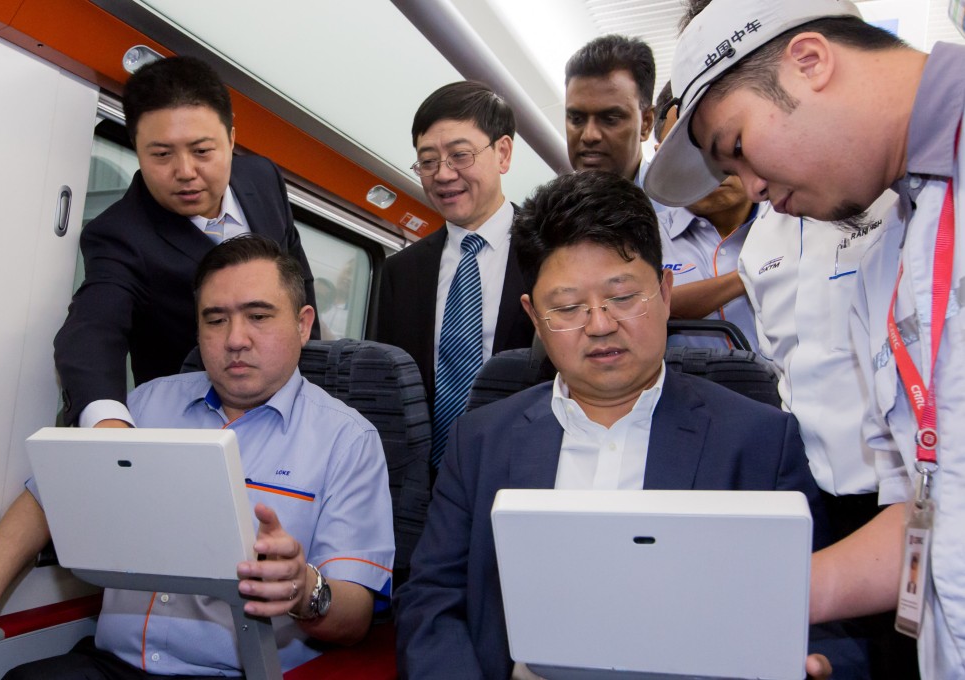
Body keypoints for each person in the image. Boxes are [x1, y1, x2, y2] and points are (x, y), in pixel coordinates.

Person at [395, 171, 840, 679]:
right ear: (534, 317)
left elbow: (823, 622)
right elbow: (431, 599)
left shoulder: (759, 440)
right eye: (566, 307)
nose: (600, 324)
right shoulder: (479, 441)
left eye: (623, 297)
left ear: (666, 293)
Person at [644, 1, 964, 676]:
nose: (754, 188)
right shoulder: (889, 254)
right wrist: (744, 600)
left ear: (810, 61)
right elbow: (931, 503)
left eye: (736, 147)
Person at [0, 235, 394, 677]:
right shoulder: (145, 406)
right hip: (114, 665)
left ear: (303, 323)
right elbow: (44, 501)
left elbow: (354, 619)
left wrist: (304, 590)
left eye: (258, 315)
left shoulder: (347, 440)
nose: (236, 339)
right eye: (215, 320)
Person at [54, 55, 318, 431]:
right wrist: (107, 421)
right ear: (137, 150)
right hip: (192, 422)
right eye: (161, 154)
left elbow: (299, 282)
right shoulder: (120, 234)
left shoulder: (263, 178)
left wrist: (317, 373)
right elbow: (93, 328)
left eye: (202, 151)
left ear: (230, 139)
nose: (185, 172)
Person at [375, 81, 534, 471]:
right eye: (428, 161)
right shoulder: (400, 271)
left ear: (503, 153)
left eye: (460, 155)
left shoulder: (550, 253)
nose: (443, 175)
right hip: (423, 481)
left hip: (523, 465)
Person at [653, 82, 765, 350]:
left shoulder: (799, 220)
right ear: (662, 158)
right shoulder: (640, 239)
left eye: (726, 140)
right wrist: (750, 274)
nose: (712, 163)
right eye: (689, 151)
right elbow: (639, 309)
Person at [564, 35, 665, 213]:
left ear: (646, 123)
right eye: (577, 119)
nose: (589, 135)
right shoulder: (544, 222)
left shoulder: (683, 215)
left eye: (610, 119)